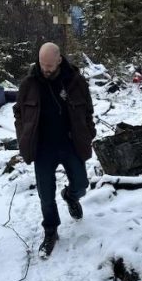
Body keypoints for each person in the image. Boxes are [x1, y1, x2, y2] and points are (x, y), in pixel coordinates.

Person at [13, 42, 97, 258]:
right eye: (42, 64)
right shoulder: (29, 84)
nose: (46, 69)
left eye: (50, 65)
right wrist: (23, 136)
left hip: (70, 143)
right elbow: (19, 112)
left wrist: (89, 131)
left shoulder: (75, 81)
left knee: (81, 184)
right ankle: (50, 231)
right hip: (42, 148)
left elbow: (88, 109)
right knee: (45, 196)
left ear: (59, 60)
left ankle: (70, 196)